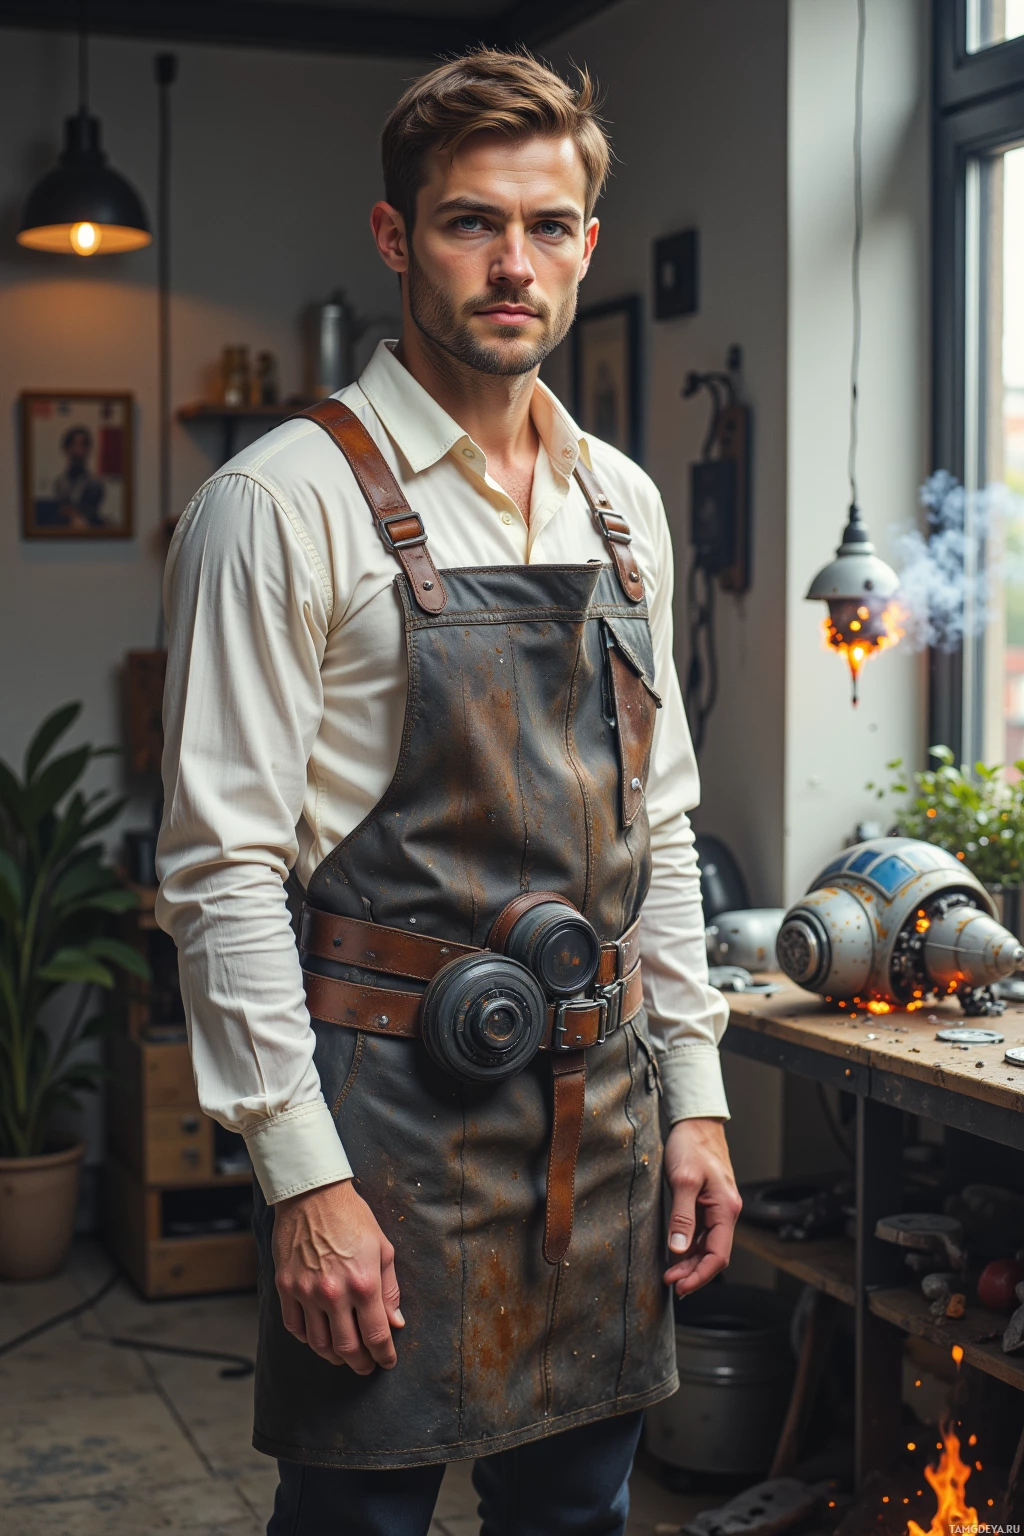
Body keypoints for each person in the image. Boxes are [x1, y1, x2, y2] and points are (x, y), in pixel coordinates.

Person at [156, 47, 741, 1536]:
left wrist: (700, 1104)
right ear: (395, 234)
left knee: (578, 1510)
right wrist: (300, 1182)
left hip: (595, 1118)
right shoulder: (277, 503)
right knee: (357, 1518)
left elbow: (654, 822)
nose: (514, 264)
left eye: (549, 229)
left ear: (587, 246)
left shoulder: (627, 504)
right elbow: (220, 872)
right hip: (385, 1131)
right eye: (474, 222)